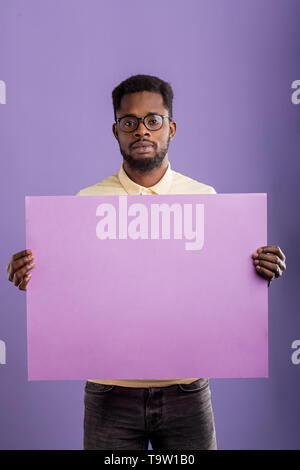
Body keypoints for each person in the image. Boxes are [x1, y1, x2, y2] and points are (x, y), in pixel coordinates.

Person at [6, 74, 287, 450]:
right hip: (110, 391)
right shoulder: (85, 203)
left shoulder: (206, 199)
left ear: (170, 128)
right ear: (116, 130)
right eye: (130, 122)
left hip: (186, 389)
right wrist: (33, 278)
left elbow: (221, 291)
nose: (142, 130)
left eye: (153, 120)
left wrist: (256, 274)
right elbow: (71, 291)